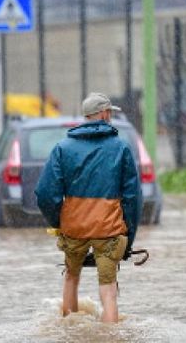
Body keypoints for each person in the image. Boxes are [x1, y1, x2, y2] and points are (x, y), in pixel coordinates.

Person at [34, 92, 141, 323]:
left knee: (71, 277)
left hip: (74, 229)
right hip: (109, 230)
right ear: (103, 114)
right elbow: (132, 198)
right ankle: (112, 338)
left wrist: (59, 222)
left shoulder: (62, 148)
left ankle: (69, 332)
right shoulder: (121, 148)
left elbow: (44, 194)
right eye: (110, 112)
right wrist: (128, 240)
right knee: (109, 290)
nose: (110, 116)